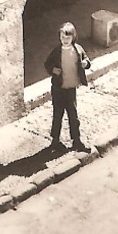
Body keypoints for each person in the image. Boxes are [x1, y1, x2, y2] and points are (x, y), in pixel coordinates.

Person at [45, 22, 93, 152]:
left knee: (73, 115)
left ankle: (76, 140)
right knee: (57, 115)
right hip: (58, 89)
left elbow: (88, 60)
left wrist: (85, 64)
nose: (65, 41)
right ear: (59, 38)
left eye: (68, 38)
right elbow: (47, 64)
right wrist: (53, 70)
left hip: (71, 88)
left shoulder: (77, 50)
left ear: (73, 37)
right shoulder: (56, 52)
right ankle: (55, 140)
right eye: (62, 38)